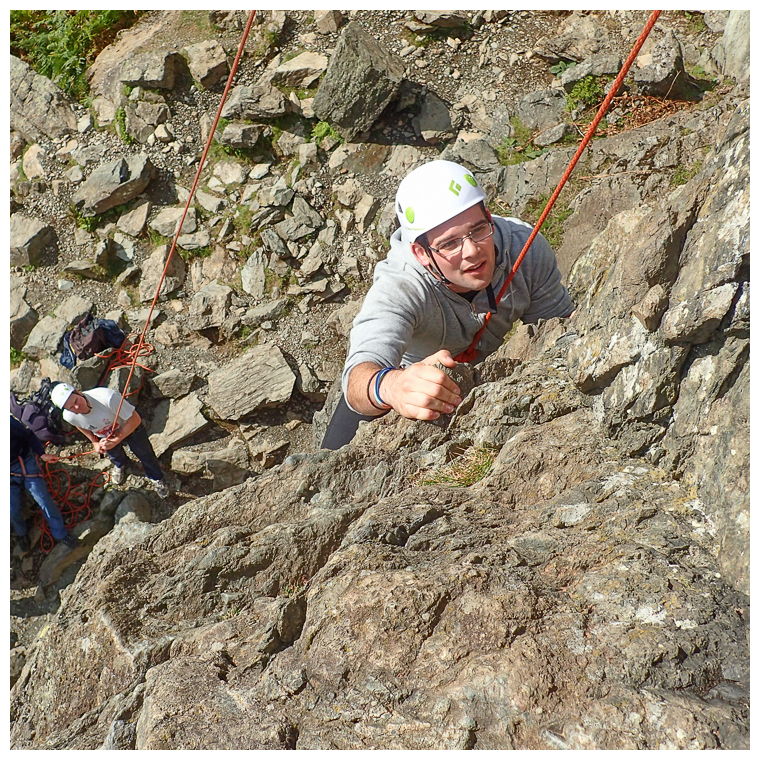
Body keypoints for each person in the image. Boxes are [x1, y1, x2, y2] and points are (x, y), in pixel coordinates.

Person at [322, 159, 575, 449]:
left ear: (489, 217)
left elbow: (558, 333)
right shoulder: (401, 285)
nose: (472, 252)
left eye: (479, 230)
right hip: (407, 379)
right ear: (421, 252)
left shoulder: (525, 250)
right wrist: (392, 386)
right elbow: (358, 378)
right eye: (449, 243)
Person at [50, 384, 169, 498]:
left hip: (130, 427)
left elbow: (135, 419)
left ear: (78, 392)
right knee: (114, 454)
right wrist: (94, 441)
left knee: (145, 454)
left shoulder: (108, 398)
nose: (76, 407)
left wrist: (116, 439)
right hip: (105, 435)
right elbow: (79, 425)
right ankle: (121, 464)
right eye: (71, 407)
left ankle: (156, 477)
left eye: (76, 401)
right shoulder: (69, 416)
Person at [11, 415, 79, 552]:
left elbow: (28, 434)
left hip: (24, 461)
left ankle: (60, 533)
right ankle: (21, 533)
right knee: (11, 510)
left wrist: (42, 454)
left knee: (43, 498)